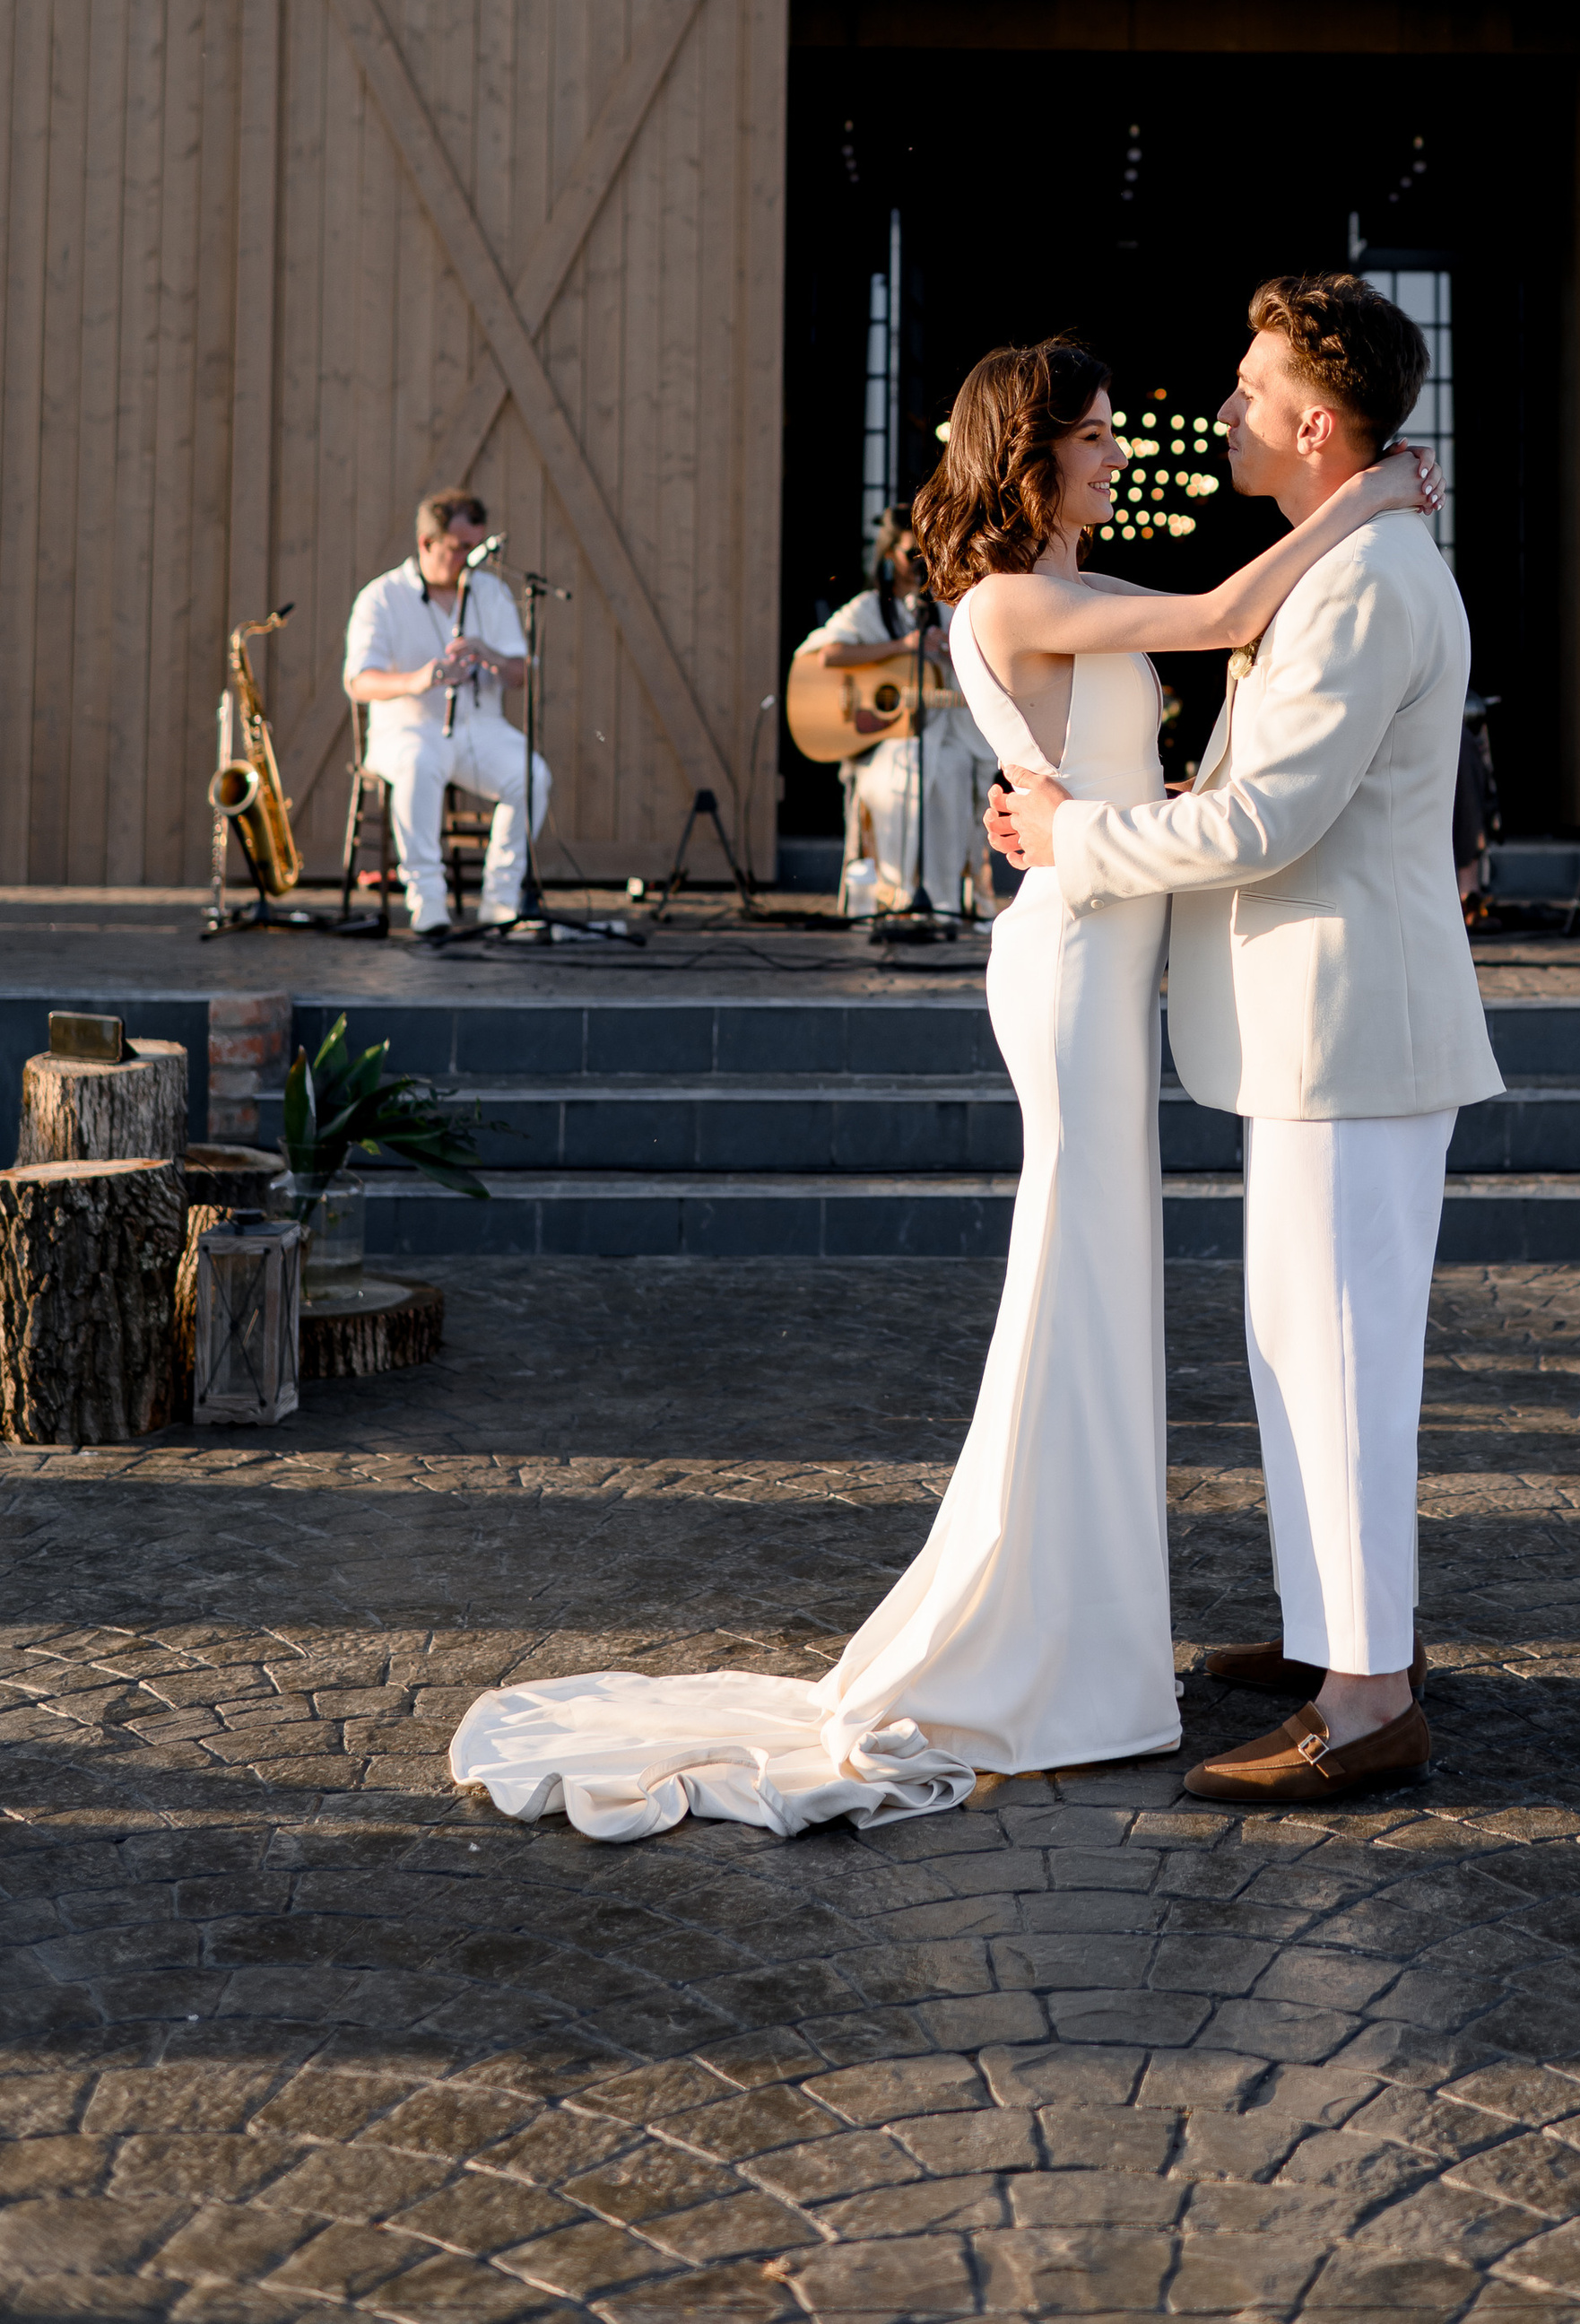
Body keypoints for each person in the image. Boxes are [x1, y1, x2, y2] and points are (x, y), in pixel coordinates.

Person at [447, 338, 1438, 1839]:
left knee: (1097, 1275)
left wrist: (1109, 809)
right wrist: (1370, 501)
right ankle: (1047, 1633)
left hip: (1100, 946)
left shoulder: (1065, 592)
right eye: (1100, 437)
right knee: (1076, 1268)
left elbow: (1155, 724)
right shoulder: (1017, 598)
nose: (1124, 455)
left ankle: (1092, 1633)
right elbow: (1237, 606)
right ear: (1033, 459)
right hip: (1071, 965)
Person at [993, 276, 1503, 1810]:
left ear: (1310, 422)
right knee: (1299, 1351)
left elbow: (1267, 819)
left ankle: (1367, 1699)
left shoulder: (1362, 588)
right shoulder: (1356, 561)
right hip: (1315, 1031)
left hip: (1351, 1028)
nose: (1216, 411)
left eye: (1242, 385)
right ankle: (1332, 1635)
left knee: (1340, 1361)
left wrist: (1080, 834)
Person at [343, 489, 546, 942]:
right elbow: (359, 682)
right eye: (458, 550)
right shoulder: (382, 596)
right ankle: (428, 904)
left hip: (479, 728)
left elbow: (520, 674)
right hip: (407, 727)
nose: (467, 560)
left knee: (531, 775)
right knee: (420, 763)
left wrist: (487, 653)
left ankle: (500, 903)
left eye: (475, 549)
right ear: (426, 543)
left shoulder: (490, 592)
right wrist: (420, 679)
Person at [793, 515, 995, 915]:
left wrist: (949, 653)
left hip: (941, 730)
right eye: (909, 552)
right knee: (898, 776)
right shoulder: (868, 608)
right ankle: (893, 894)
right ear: (889, 555)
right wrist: (903, 646)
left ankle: (941, 900)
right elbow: (826, 654)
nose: (918, 560)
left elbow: (977, 666)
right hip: (882, 740)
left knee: (951, 770)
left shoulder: (940, 608)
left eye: (924, 552)